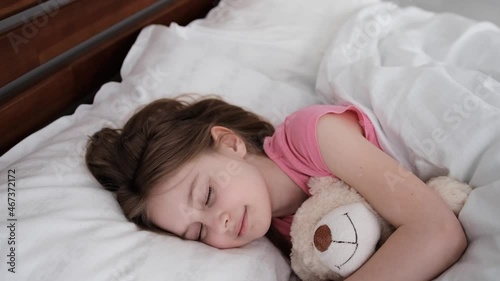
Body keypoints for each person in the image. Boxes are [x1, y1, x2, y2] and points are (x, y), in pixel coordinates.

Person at [85, 94, 467, 281]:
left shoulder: (311, 136)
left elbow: (439, 231)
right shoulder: (282, 234)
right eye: (198, 232)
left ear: (231, 144)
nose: (220, 224)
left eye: (208, 196)